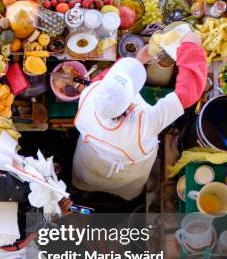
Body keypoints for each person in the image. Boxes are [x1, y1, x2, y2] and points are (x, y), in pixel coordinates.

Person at [71, 32, 207, 200]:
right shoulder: (144, 123)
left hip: (91, 158)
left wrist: (137, 60)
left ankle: (81, 191)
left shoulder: (90, 95)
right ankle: (123, 200)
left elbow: (107, 81)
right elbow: (187, 93)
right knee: (128, 188)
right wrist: (191, 48)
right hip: (129, 170)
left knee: (85, 179)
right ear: (129, 106)